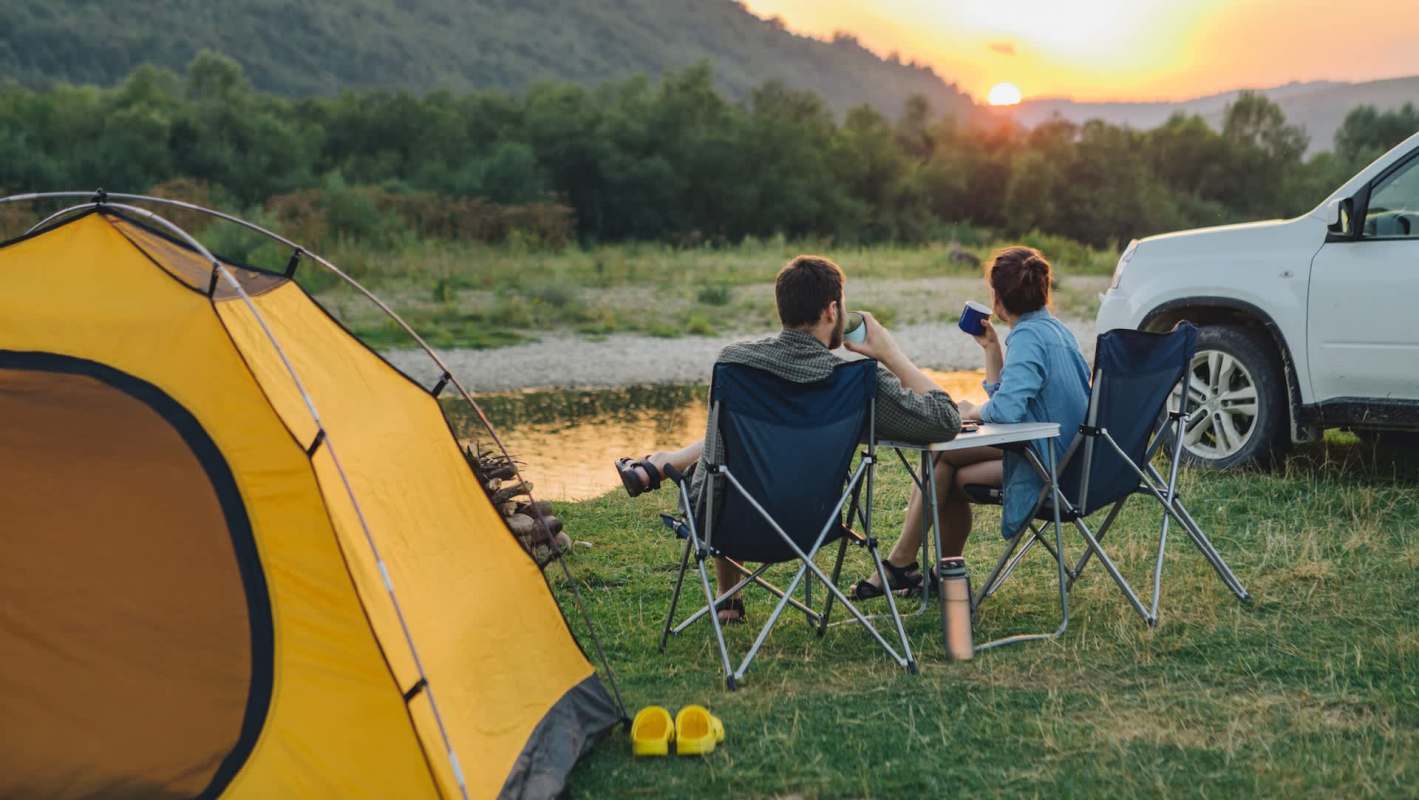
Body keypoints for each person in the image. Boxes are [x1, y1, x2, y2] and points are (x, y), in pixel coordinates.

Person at [614, 255, 961, 622]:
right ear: (832, 311)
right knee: (724, 451)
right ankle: (663, 466)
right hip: (813, 523)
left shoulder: (735, 365)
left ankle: (727, 597)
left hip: (727, 524)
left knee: (722, 457)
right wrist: (890, 353)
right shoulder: (858, 382)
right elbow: (945, 420)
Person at [851, 246, 1090, 595]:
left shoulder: (1027, 337)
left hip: (1047, 464)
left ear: (996, 299)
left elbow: (1006, 412)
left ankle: (901, 565)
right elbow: (1013, 400)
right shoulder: (1055, 330)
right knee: (946, 467)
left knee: (943, 461)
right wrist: (992, 349)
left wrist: (969, 412)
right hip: (1068, 455)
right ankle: (934, 574)